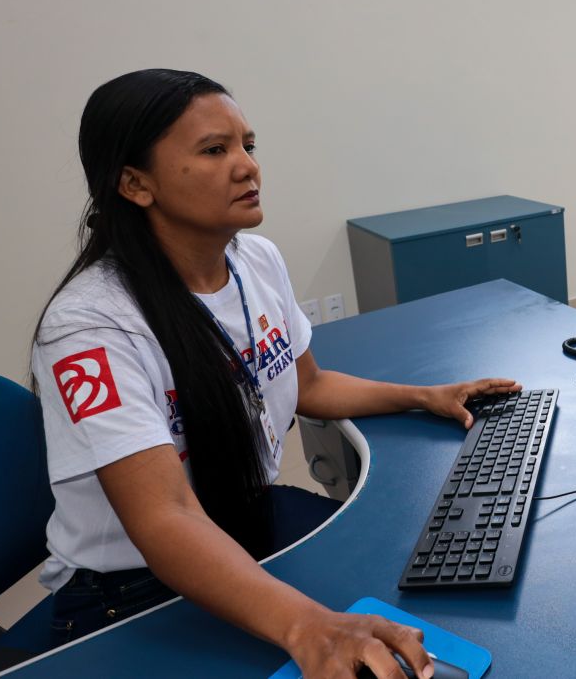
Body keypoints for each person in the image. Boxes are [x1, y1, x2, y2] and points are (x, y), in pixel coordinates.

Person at [32, 69, 519, 679]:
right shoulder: (88, 327)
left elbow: (308, 385)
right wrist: (306, 626)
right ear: (135, 183)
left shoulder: (256, 261)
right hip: (135, 589)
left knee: (432, 596)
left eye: (248, 145)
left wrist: (425, 396)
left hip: (246, 524)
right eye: (215, 150)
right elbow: (165, 516)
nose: (248, 166)